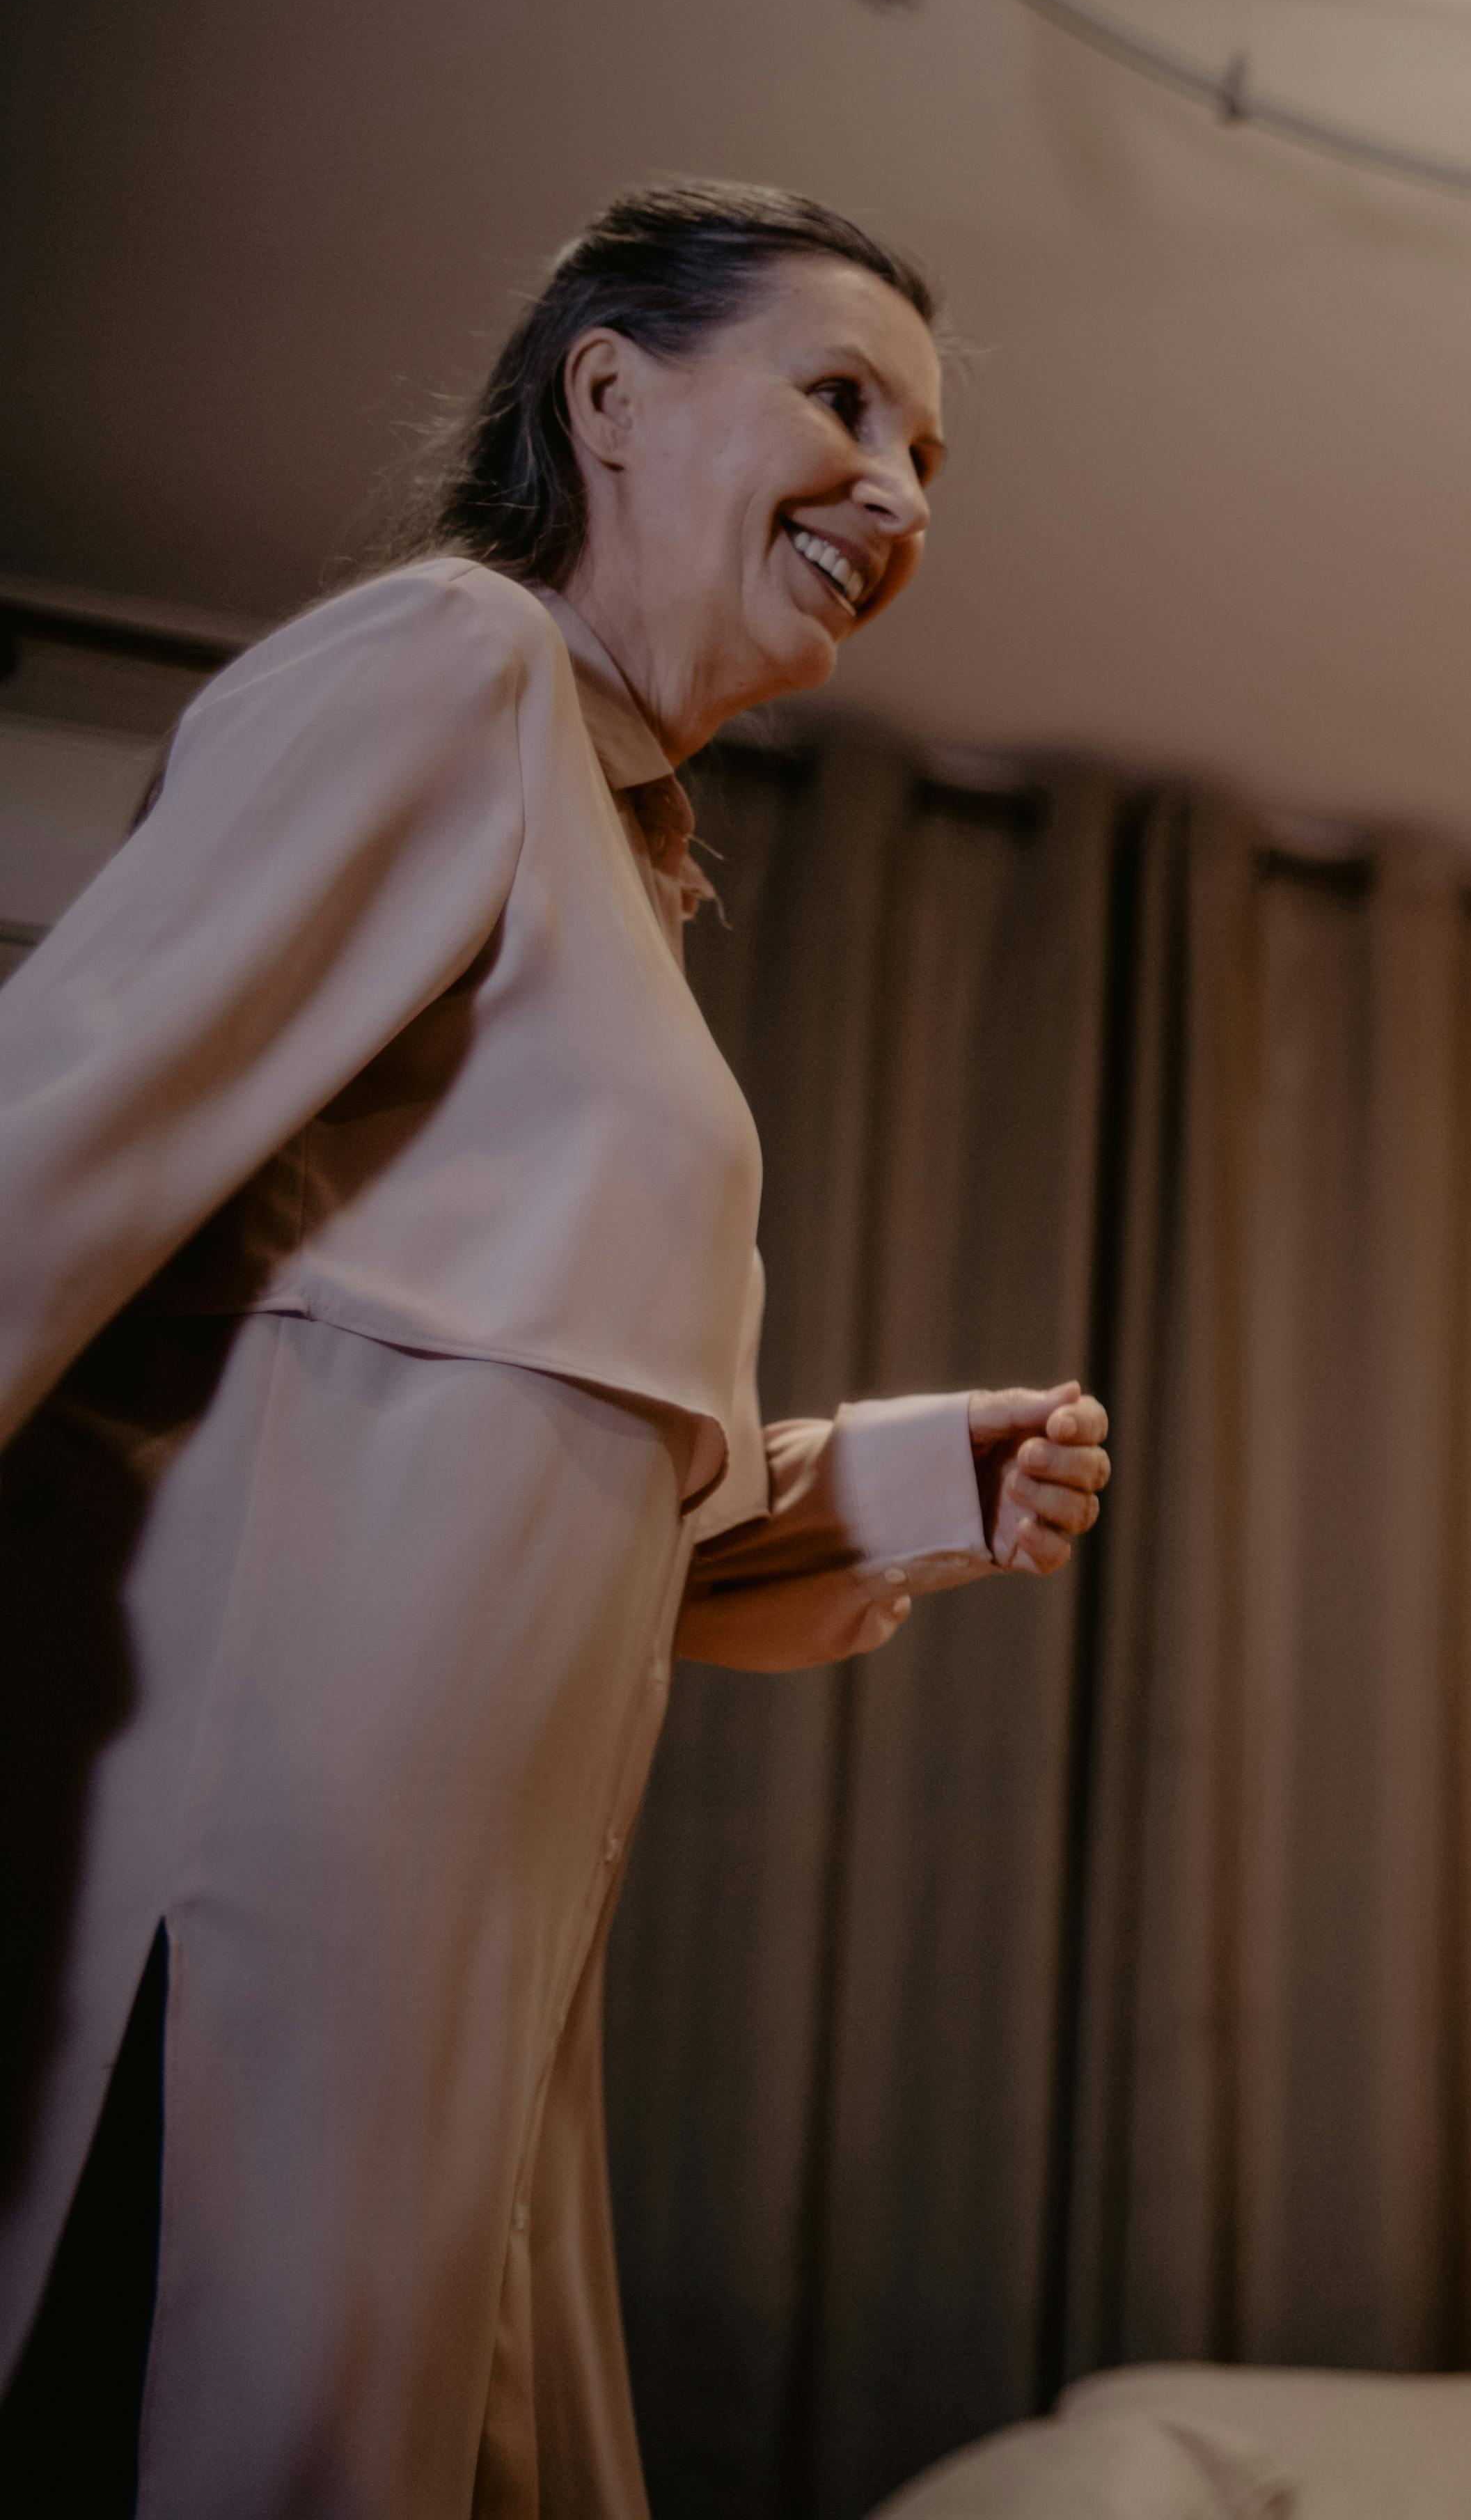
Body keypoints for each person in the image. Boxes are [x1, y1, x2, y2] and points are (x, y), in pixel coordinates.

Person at [0, 181, 1117, 2514]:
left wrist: (904, 1480)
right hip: (251, 1916)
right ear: (608, 392)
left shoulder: (626, 860)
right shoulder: (452, 666)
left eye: (931, 458)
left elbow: (544, 1483)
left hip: (458, 1976)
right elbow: (50, 1146)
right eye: (843, 403)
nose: (901, 495)